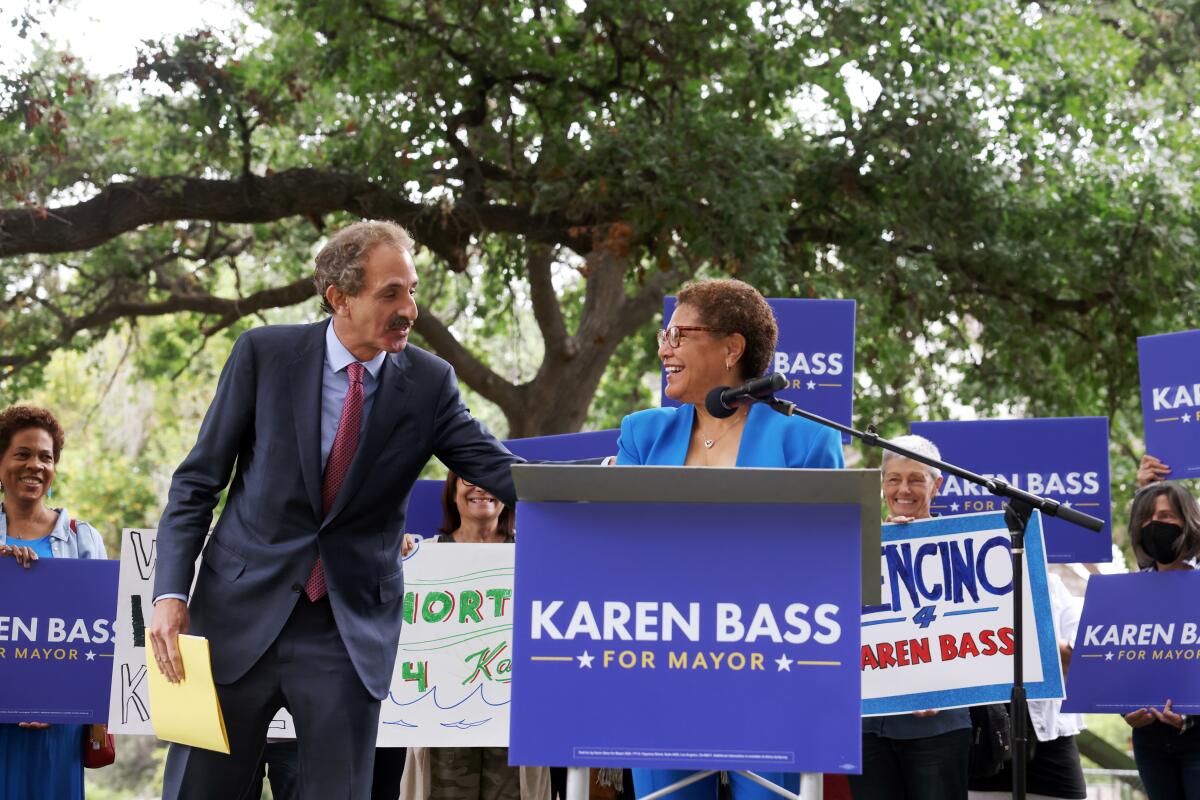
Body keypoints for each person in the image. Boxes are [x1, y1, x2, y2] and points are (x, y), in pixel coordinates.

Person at [149, 221, 523, 800]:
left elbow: (500, 470)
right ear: (339, 297)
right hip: (235, 622)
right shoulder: (263, 355)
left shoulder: (429, 383)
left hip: (346, 634)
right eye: (391, 293)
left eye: (413, 291)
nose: (410, 310)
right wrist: (169, 594)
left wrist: (605, 494)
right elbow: (198, 482)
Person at [615, 278, 843, 800]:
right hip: (662, 668)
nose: (664, 347)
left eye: (679, 333)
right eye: (663, 334)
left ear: (731, 348)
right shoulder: (642, 434)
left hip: (770, 671)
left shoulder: (805, 438)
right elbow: (619, 548)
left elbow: (825, 561)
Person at [399, 471, 545, 800]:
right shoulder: (422, 556)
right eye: (468, 479)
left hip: (512, 723)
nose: (481, 487)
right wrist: (397, 558)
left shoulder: (535, 556)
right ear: (452, 493)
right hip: (441, 725)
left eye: (492, 479)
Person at [848, 435, 972, 800]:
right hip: (866, 726)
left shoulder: (965, 551)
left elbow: (984, 637)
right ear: (882, 484)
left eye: (916, 479)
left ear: (937, 484)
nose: (904, 489)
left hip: (939, 727)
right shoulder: (855, 545)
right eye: (893, 479)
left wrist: (942, 687)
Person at [0, 405, 108, 800]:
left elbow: (99, 635)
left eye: (46, 457)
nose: (35, 465)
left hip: (56, 727)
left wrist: (61, 704)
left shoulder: (83, 538)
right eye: (22, 453)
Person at [968, 571, 1087, 800]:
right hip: (986, 740)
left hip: (1050, 737)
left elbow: (1082, 656)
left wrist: (1026, 631)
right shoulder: (962, 587)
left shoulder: (1050, 583)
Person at [1120, 483, 1200, 799]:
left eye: (1166, 515)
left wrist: (1190, 716)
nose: (1155, 523)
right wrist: (1125, 711)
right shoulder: (1127, 593)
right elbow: (1114, 661)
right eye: (1147, 518)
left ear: (1188, 522)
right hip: (1150, 741)